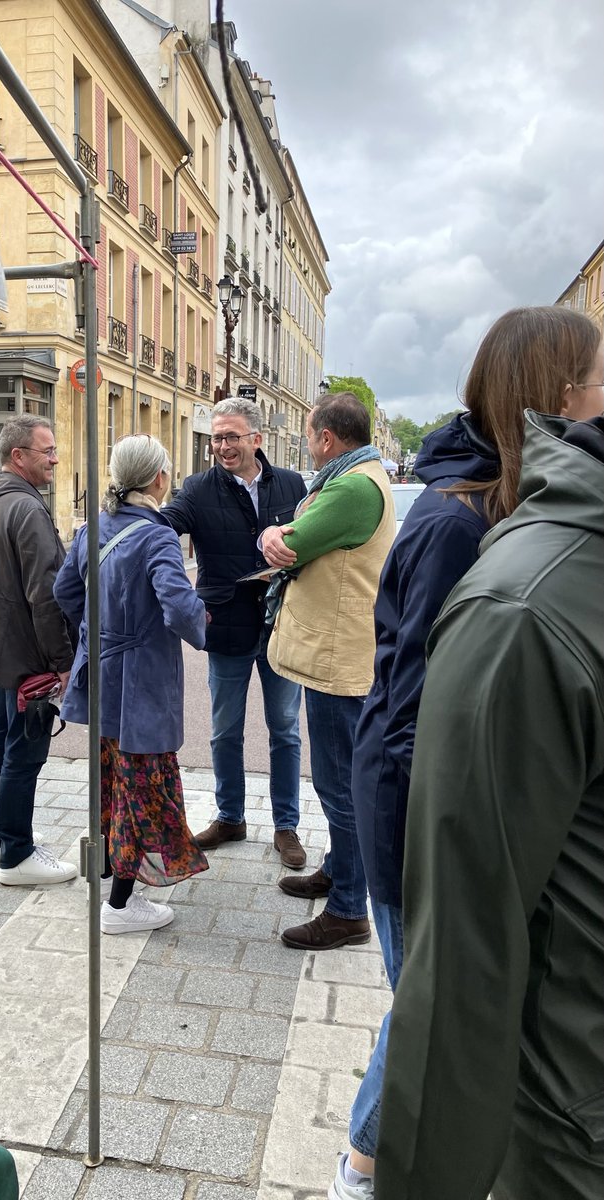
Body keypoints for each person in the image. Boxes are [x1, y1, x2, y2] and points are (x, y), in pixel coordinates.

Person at [329, 305, 604, 1200]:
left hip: (416, 803)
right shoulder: (459, 523)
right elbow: (419, 712)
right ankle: (364, 1170)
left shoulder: (495, 506)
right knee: (425, 1005)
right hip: (417, 812)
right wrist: (415, 857)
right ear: (562, 395)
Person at [54, 434, 209, 934]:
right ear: (159, 478)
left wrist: (97, 632)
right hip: (142, 681)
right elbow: (179, 606)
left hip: (100, 675)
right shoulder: (158, 535)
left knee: (111, 780)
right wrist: (203, 623)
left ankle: (105, 871)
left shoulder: (91, 528)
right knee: (142, 787)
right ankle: (120, 906)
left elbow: (64, 590)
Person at [261, 393, 395, 951]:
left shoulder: (350, 487)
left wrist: (272, 534)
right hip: (340, 654)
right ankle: (340, 874)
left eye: (310, 435)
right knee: (341, 782)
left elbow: (291, 545)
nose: (309, 445)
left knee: (340, 788)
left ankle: (346, 911)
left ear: (325, 439)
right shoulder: (362, 477)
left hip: (339, 661)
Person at [164, 398, 307, 869]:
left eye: (231, 436)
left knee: (285, 731)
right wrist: (124, 519)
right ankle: (231, 817)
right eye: (216, 438)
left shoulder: (292, 484)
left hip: (281, 626)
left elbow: (310, 541)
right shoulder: (197, 489)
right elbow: (166, 524)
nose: (222, 446)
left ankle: (286, 826)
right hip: (225, 628)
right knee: (225, 731)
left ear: (256, 440)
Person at [0, 414, 77, 886]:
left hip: (1, 642)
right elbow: (45, 594)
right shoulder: (27, 509)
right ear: (18, 456)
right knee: (23, 750)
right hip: (29, 651)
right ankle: (17, 853)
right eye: (46, 451)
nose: (55, 458)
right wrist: (64, 662)